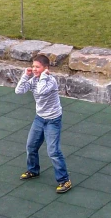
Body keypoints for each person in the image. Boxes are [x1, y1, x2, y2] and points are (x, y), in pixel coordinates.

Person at [15, 54, 72, 194]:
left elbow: (40, 92)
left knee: (53, 151)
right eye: (33, 66)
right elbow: (19, 91)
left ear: (46, 68)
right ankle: (33, 170)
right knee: (31, 146)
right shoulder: (34, 79)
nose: (34, 69)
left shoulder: (50, 81)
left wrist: (44, 76)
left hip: (53, 120)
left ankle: (65, 180)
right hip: (40, 118)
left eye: (37, 67)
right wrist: (25, 76)